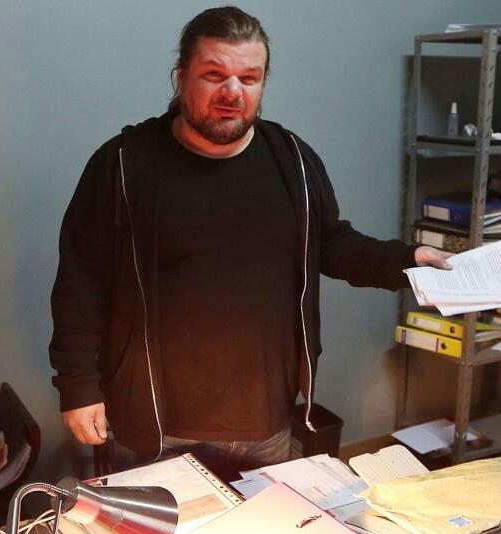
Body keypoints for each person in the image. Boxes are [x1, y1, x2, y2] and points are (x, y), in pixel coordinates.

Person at [49, 6, 452, 475]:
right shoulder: (123, 164)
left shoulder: (294, 161)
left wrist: (408, 259)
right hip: (156, 422)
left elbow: (331, 244)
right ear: (181, 77)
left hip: (264, 420)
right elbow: (81, 280)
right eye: (214, 74)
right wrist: (78, 386)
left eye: (249, 77)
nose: (232, 93)